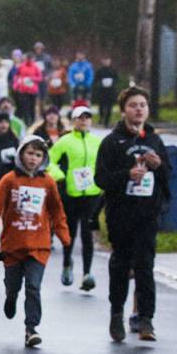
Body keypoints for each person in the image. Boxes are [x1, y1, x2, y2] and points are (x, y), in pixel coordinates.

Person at [94, 86, 170, 342]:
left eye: (142, 105)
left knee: (145, 265)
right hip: (120, 214)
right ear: (123, 110)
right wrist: (127, 174)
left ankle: (146, 318)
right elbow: (101, 179)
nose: (138, 110)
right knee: (121, 264)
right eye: (133, 105)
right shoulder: (112, 142)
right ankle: (117, 312)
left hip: (147, 214)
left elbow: (168, 175)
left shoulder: (154, 140)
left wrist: (159, 166)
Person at [0, 135, 70, 347]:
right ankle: (11, 296)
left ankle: (31, 328)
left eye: (38, 155)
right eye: (30, 153)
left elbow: (56, 210)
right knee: (13, 284)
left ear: (44, 158)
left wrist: (64, 236)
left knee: (33, 286)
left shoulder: (47, 182)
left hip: (39, 246)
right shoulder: (9, 180)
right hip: (13, 245)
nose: (33, 158)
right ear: (21, 154)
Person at [49, 106, 102, 290]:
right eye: (80, 118)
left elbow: (104, 163)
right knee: (69, 233)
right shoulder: (65, 141)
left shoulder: (97, 142)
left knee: (87, 234)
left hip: (92, 193)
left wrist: (101, 180)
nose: (84, 121)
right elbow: (49, 161)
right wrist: (60, 177)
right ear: (73, 121)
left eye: (87, 118)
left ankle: (87, 273)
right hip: (70, 194)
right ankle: (66, 263)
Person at [11, 53, 43, 125]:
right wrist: (16, 84)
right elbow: (17, 76)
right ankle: (27, 123)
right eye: (28, 59)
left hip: (33, 91)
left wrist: (32, 78)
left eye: (30, 59)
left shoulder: (35, 67)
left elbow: (40, 78)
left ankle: (32, 122)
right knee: (25, 107)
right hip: (24, 91)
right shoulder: (22, 66)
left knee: (32, 107)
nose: (29, 60)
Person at [0, 112, 20, 179]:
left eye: (6, 122)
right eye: (1, 122)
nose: (4, 125)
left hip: (12, 173)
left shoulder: (14, 139)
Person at [93, 57, 119, 126]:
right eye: (105, 61)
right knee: (101, 106)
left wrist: (112, 83)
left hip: (110, 91)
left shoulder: (113, 70)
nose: (107, 62)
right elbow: (96, 80)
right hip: (102, 91)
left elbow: (116, 79)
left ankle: (107, 121)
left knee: (109, 107)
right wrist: (100, 84)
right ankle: (101, 118)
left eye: (108, 61)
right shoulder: (100, 71)